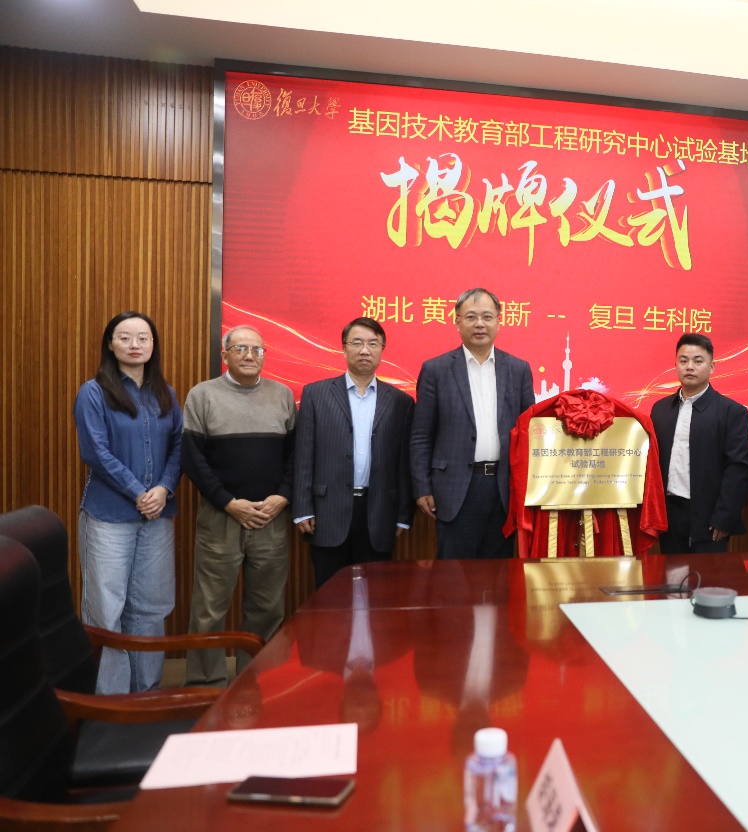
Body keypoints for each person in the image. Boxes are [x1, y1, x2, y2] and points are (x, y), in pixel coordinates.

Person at [73, 312, 182, 694]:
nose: (135, 344)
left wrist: (164, 488)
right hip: (109, 517)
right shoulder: (93, 392)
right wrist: (139, 491)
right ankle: (111, 701)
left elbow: (179, 445)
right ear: (110, 344)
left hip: (157, 517)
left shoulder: (164, 393)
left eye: (143, 338)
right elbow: (95, 452)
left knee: (151, 608)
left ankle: (146, 694)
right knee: (106, 611)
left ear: (153, 345)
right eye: (125, 337)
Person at [182, 325, 296, 686]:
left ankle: (255, 684)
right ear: (225, 355)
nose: (250, 355)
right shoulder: (203, 395)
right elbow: (192, 459)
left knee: (267, 607)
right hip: (221, 517)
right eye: (241, 349)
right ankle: (205, 686)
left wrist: (283, 496)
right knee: (209, 608)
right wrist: (228, 503)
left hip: (271, 517)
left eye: (257, 350)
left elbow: (296, 455)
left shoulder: (282, 395)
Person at [411, 288, 535, 559]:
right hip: (454, 488)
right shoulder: (436, 370)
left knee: (498, 573)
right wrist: (422, 487)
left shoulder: (518, 369)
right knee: (454, 575)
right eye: (471, 317)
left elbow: (530, 432)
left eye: (487, 317)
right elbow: (421, 435)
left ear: (499, 321)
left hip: (503, 488)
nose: (480, 324)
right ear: (457, 322)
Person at [294, 317, 414, 587]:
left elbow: (403, 464)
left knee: (376, 594)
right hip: (327, 511)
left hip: (379, 512)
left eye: (373, 344)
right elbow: (303, 455)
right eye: (357, 343)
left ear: (382, 349)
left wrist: (404, 515)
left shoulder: (401, 402)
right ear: (344, 348)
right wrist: (302, 508)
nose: (364, 350)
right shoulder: (316, 394)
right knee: (329, 594)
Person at [650, 333, 748, 554]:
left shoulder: (732, 412)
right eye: (683, 360)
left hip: (710, 518)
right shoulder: (660, 410)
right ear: (675, 365)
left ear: (712, 366)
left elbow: (739, 469)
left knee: (707, 576)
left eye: (698, 361)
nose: (690, 367)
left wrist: (724, 517)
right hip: (669, 515)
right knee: (671, 574)